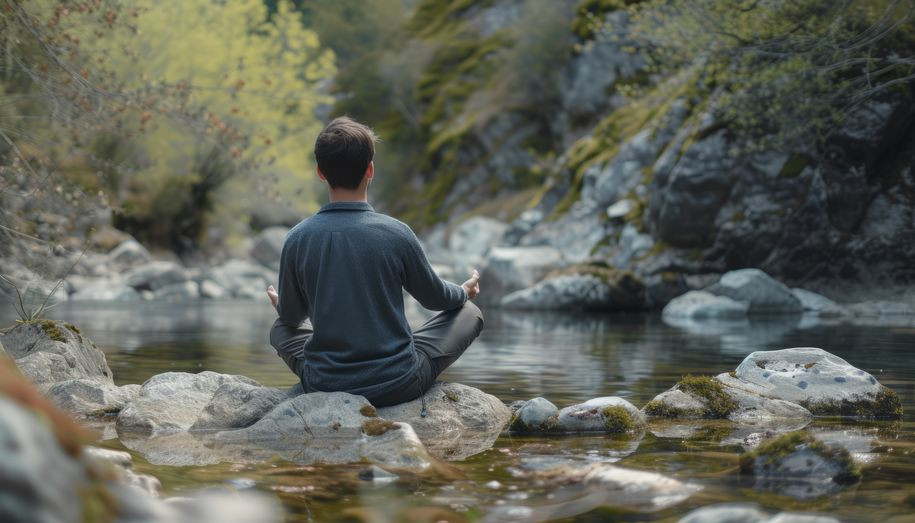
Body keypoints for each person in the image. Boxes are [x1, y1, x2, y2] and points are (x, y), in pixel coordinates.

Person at [266, 116, 483, 409]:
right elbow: (436, 299)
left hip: (324, 384)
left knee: (279, 330)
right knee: (469, 313)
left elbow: (291, 319)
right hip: (399, 383)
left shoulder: (297, 238)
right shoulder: (396, 232)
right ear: (370, 170)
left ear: (320, 172)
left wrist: (281, 304)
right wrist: (464, 292)